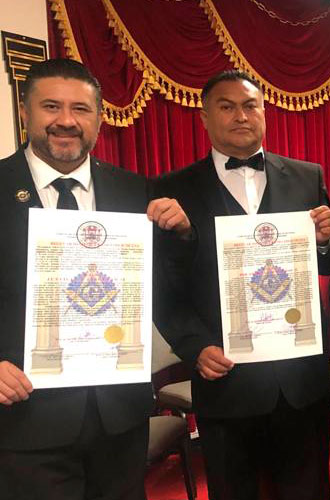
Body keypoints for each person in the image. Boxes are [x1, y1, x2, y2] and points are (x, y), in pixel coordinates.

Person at [0, 58, 189, 500]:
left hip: (119, 416)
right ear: (25, 111)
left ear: (100, 119)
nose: (66, 121)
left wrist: (183, 234)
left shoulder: (135, 190)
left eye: (81, 109)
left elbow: (165, 287)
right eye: (51, 106)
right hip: (25, 418)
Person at [155, 70, 330, 500]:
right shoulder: (172, 190)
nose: (241, 116)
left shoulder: (306, 176)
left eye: (250, 105)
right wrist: (195, 347)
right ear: (204, 118)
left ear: (264, 112)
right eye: (226, 106)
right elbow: (162, 290)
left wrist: (328, 240)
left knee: (308, 490)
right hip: (226, 379)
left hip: (301, 379)